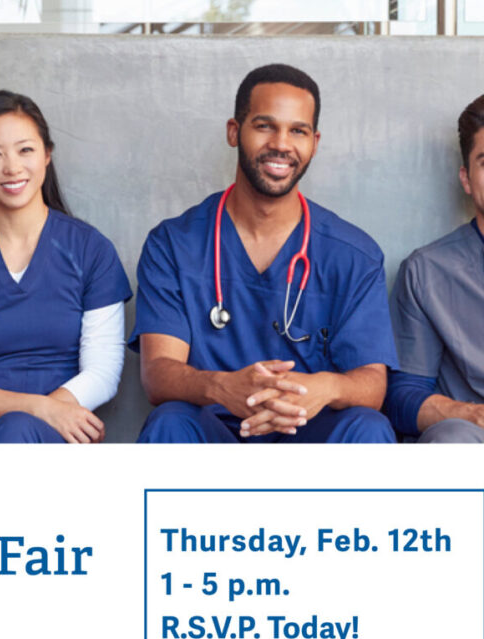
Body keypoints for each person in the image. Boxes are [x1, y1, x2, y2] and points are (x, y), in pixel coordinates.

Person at [131, 64, 396, 444]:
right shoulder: (174, 244)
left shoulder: (353, 255)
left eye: (298, 131)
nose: (281, 144)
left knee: (367, 426)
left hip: (308, 433)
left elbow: (372, 384)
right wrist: (222, 387)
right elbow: (158, 373)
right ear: (234, 131)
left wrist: (324, 387)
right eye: (265, 126)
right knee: (170, 421)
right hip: (212, 431)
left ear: (315, 143)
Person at [0, 90, 131, 444]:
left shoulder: (91, 251)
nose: (12, 167)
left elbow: (102, 374)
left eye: (25, 150)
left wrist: (23, 420)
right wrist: (33, 410)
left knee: (16, 431)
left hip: (57, 436)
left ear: (47, 155)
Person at [387, 94, 484, 442]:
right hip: (473, 441)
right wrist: (470, 414)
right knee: (450, 440)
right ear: (466, 179)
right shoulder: (427, 272)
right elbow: (403, 397)